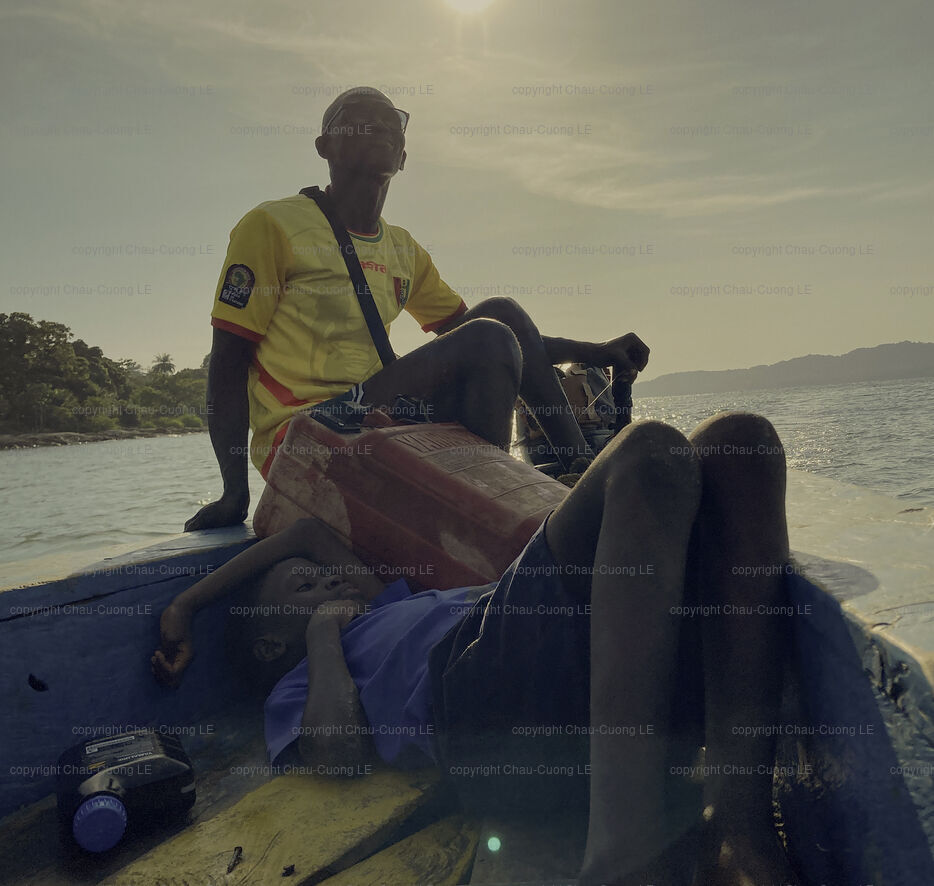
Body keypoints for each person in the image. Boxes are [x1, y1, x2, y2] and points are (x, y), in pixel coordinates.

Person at [156, 411, 802, 886]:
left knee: (741, 441)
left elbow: (305, 534)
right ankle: (623, 859)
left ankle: (736, 831)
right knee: (649, 449)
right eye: (305, 588)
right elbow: (337, 752)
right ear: (273, 643)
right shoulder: (301, 680)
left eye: (323, 579)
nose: (328, 580)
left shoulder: (382, 604)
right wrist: (325, 634)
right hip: (476, 698)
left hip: (587, 662)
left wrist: (186, 604)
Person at [185, 85, 649, 531]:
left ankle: (576, 477)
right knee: (489, 332)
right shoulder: (272, 225)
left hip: (378, 412)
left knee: (501, 314)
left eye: (392, 121)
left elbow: (508, 342)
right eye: (357, 119)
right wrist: (234, 493)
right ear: (324, 147)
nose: (379, 125)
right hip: (306, 434)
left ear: (403, 157)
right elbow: (228, 360)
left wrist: (598, 353)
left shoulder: (403, 249)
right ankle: (492, 510)